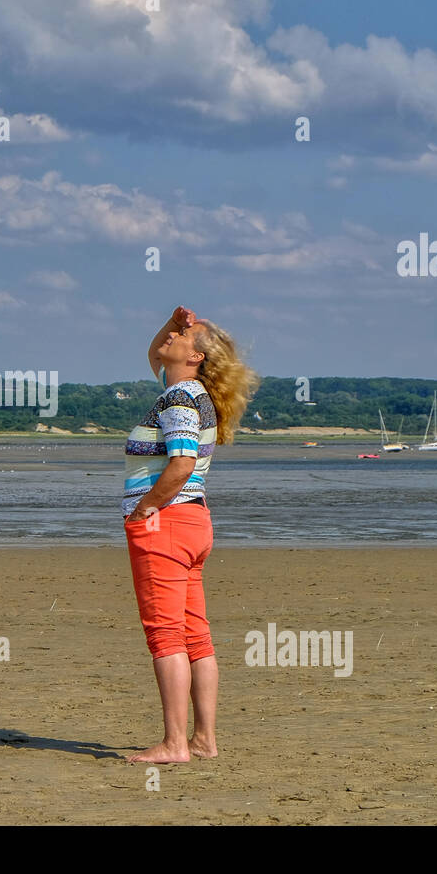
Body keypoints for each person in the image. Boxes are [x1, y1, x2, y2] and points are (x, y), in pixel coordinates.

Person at [123, 306, 259, 763]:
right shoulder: (191, 390)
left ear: (196, 355)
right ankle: (203, 740)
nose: (174, 336)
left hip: (167, 524)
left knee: (165, 636)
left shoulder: (180, 398)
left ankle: (175, 743)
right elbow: (153, 351)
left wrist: (146, 507)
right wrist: (173, 321)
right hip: (193, 524)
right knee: (194, 635)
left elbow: (180, 463)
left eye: (185, 334)